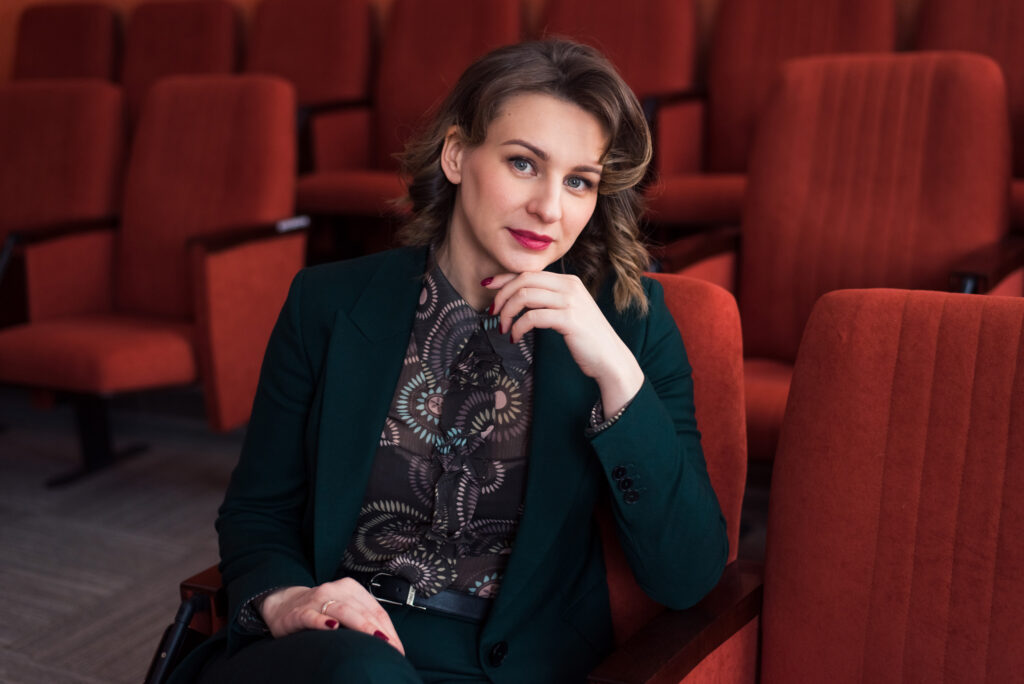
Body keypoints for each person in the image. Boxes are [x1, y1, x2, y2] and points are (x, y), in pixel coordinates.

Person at [173, 39, 727, 684]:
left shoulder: (630, 325)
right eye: (523, 163)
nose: (550, 208)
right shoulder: (327, 303)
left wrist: (617, 376)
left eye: (579, 181)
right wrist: (287, 599)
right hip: (334, 650)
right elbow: (257, 511)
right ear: (457, 154)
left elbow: (687, 575)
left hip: (510, 665)